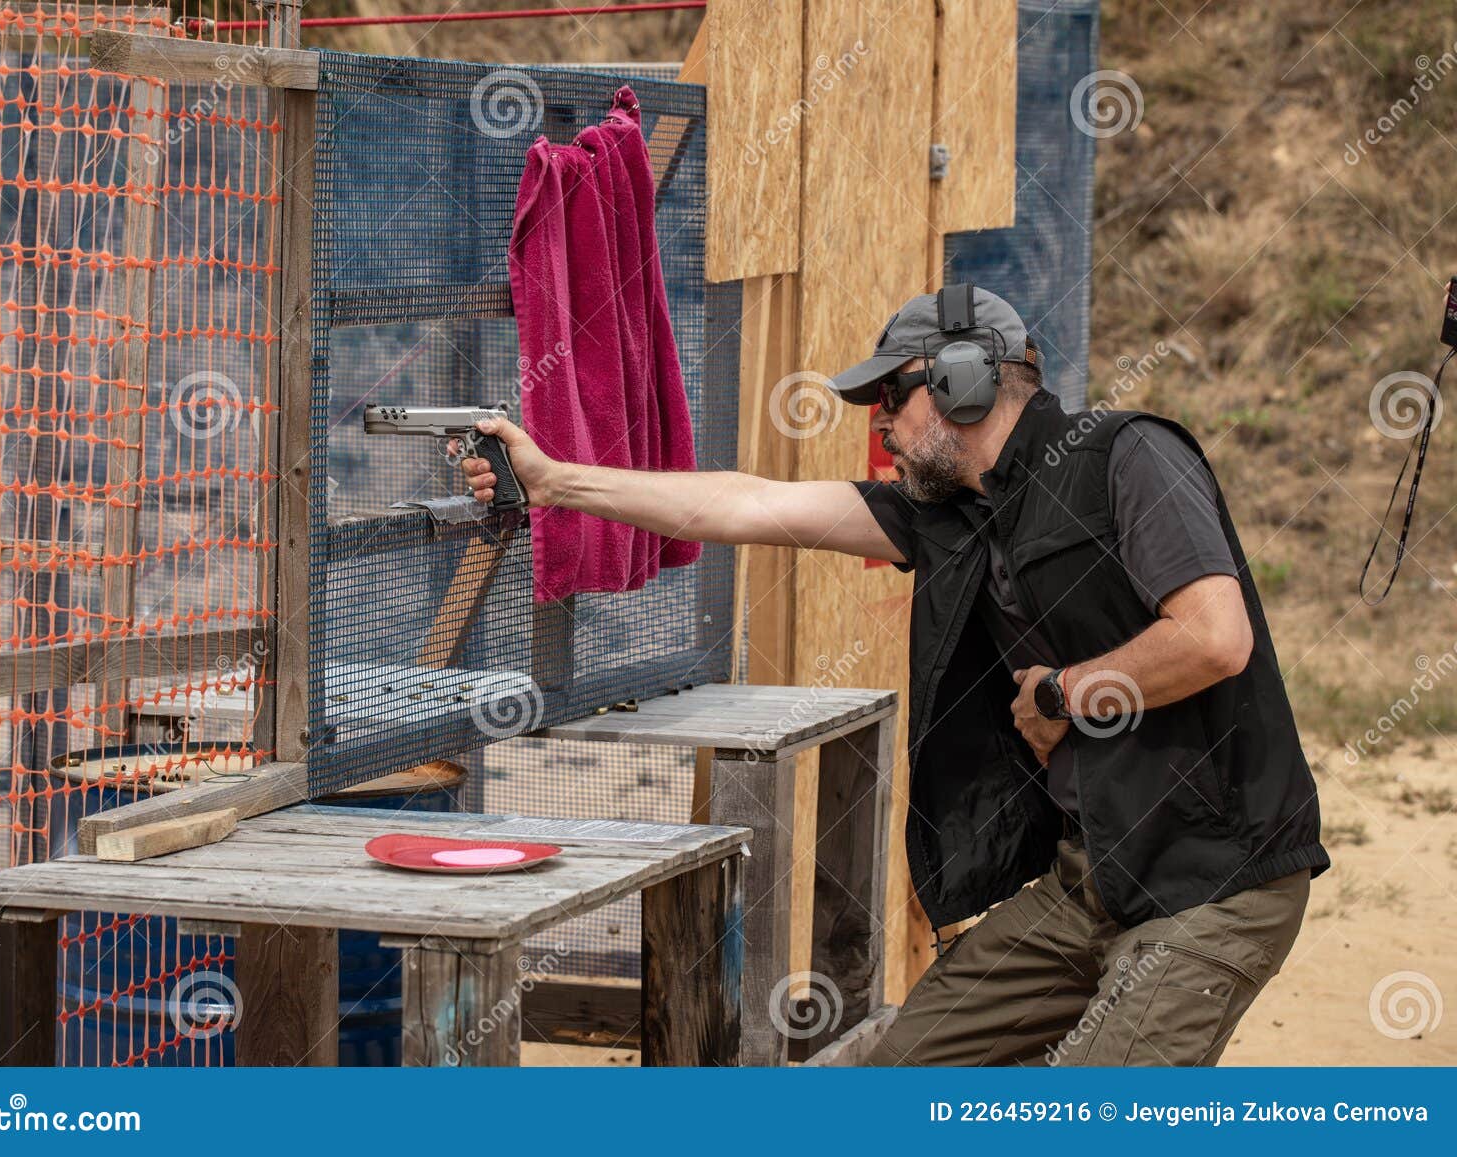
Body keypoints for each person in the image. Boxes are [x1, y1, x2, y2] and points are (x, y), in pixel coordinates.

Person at [455, 283, 1329, 1067]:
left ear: (964, 379)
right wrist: (552, 482)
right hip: (1093, 878)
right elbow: (746, 502)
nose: (878, 422)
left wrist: (1066, 692)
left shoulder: (1129, 457)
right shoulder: (949, 514)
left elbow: (1216, 638)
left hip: (1220, 878)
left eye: (889, 397)